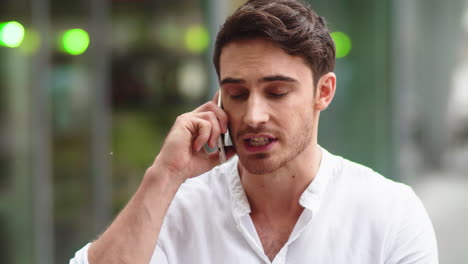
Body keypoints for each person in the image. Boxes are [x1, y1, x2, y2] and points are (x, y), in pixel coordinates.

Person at [70, 0, 438, 263]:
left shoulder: (390, 213)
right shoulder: (176, 210)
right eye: (237, 93)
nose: (253, 115)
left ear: (323, 92)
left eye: (277, 92)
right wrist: (164, 176)